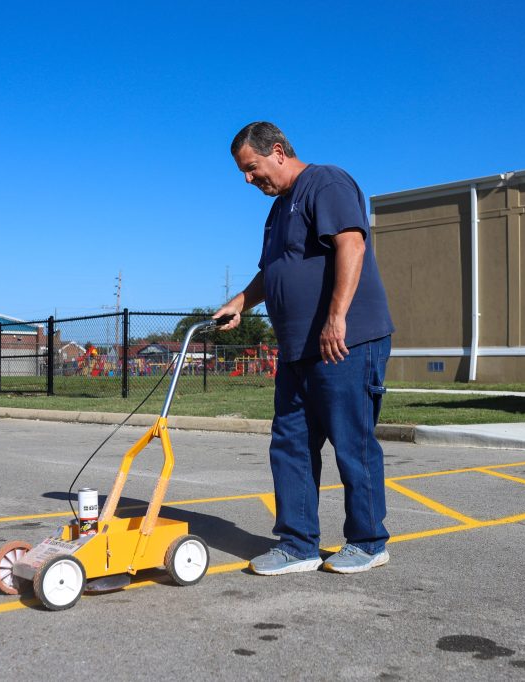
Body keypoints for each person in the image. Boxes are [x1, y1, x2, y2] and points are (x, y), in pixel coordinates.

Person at [214, 122, 395, 575]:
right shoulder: (277, 212)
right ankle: (298, 545)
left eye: (251, 168)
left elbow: (351, 243)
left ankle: (369, 542)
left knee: (352, 442)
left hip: (345, 342)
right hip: (297, 349)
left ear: (278, 151)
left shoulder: (326, 182)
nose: (248, 180)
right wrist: (240, 302)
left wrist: (337, 316)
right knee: (291, 443)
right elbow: (273, 271)